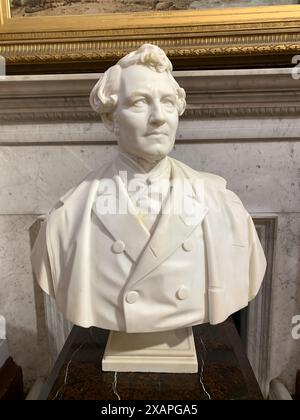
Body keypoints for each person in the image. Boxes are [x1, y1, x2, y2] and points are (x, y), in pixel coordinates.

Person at [31, 44, 266, 333]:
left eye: (168, 102)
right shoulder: (67, 217)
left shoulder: (224, 207)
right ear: (110, 119)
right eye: (140, 102)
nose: (159, 117)